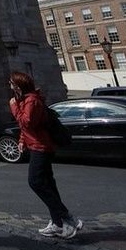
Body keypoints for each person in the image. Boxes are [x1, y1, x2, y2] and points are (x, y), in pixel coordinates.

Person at [8, 71, 82, 239]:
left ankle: (67, 218)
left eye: (12, 83)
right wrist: (21, 140)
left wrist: (13, 107)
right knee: (48, 184)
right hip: (35, 145)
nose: (10, 86)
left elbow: (27, 122)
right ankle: (57, 223)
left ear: (19, 86)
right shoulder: (26, 100)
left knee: (35, 182)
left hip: (41, 147)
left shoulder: (32, 100)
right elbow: (27, 128)